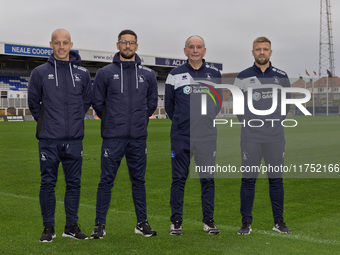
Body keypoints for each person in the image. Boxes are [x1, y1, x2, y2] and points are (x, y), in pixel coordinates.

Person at [91, 29, 158, 238]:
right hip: (113, 137)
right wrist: (113, 121)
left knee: (139, 181)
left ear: (136, 46)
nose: (128, 46)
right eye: (124, 42)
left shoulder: (148, 74)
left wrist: (137, 121)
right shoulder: (105, 73)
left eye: (131, 42)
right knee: (106, 181)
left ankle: (142, 223)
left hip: (138, 138)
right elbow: (97, 102)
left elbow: (152, 103)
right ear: (118, 45)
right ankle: (99, 225)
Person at [28, 28, 92, 242]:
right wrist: (48, 123)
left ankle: (71, 226)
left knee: (74, 183)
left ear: (71, 45)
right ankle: (48, 227)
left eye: (65, 42)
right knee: (48, 183)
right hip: (49, 139)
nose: (62, 46)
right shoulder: (39, 72)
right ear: (51, 44)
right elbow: (33, 103)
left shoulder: (82, 73)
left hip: (74, 140)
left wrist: (73, 121)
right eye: (57, 42)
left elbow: (86, 101)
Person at [234, 36, 292, 235]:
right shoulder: (242, 77)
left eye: (265, 49)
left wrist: (273, 123)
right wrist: (251, 125)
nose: (261, 52)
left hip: (275, 137)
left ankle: (279, 222)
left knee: (276, 180)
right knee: (248, 180)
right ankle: (246, 223)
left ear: (270, 52)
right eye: (258, 49)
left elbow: (287, 105)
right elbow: (238, 107)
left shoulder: (282, 76)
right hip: (250, 138)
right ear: (252, 52)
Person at [165, 35, 221, 235]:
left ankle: (209, 221)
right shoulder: (175, 74)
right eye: (191, 47)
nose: (195, 50)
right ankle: (176, 221)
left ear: (204, 51)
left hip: (206, 136)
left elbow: (217, 103)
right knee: (178, 179)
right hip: (181, 136)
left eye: (199, 47)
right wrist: (183, 122)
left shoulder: (214, 74)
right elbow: (169, 106)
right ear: (185, 50)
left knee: (207, 179)